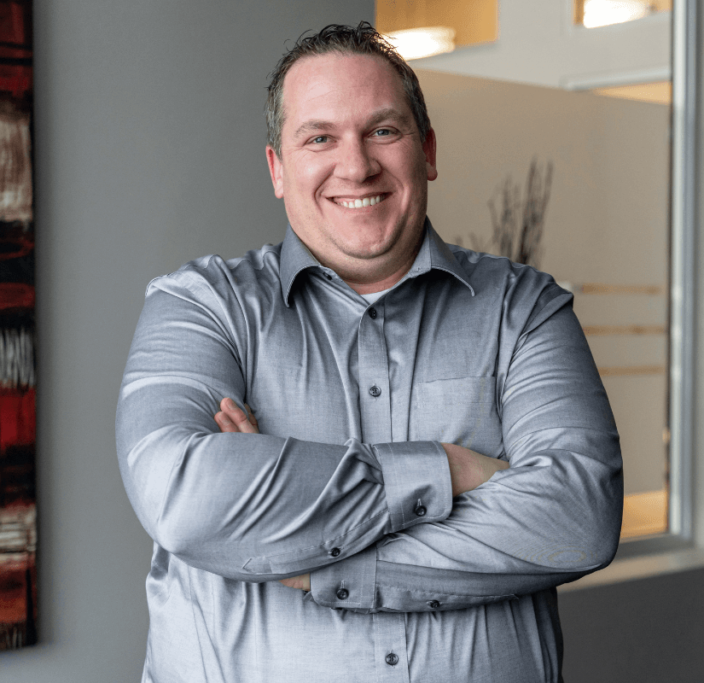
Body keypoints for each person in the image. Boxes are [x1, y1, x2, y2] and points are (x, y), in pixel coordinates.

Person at [116, 22, 622, 683]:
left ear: (427, 150)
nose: (355, 165)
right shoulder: (203, 306)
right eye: (319, 137)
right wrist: (450, 469)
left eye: (383, 130)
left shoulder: (522, 310)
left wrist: (304, 546)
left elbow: (578, 515)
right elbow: (185, 497)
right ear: (277, 167)